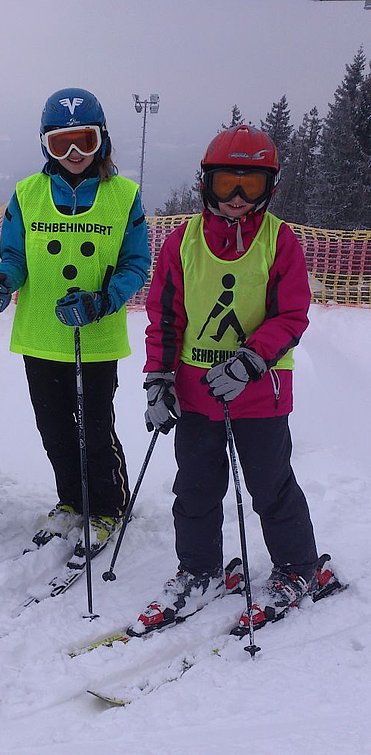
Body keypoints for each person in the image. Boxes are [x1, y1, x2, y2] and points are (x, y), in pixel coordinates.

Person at [130, 124, 340, 637]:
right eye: (228, 184)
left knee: (270, 486)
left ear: (270, 186)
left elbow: (292, 315)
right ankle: (199, 570)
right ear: (207, 183)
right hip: (196, 394)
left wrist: (250, 361)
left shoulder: (279, 241)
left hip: (259, 395)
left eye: (251, 184)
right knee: (196, 488)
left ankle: (298, 567)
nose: (239, 198)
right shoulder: (183, 241)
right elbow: (164, 318)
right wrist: (158, 380)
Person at [0, 87, 150, 566]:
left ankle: (108, 505)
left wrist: (103, 301)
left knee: (93, 427)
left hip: (93, 337)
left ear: (102, 141)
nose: (75, 154)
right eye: (61, 144)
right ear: (45, 146)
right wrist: (1, 280)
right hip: (40, 335)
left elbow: (137, 264)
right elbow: (14, 257)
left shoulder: (124, 196)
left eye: (85, 141)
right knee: (53, 428)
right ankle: (72, 500)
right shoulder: (28, 194)